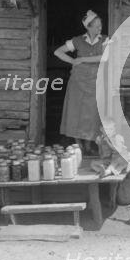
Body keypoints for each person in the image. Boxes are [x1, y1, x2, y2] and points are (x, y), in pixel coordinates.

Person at [54, 10, 109, 155]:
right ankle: (79, 145)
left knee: (92, 114)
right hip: (77, 82)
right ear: (88, 27)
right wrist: (72, 61)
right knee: (76, 113)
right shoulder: (77, 40)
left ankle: (89, 144)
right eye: (96, 26)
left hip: (95, 82)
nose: (99, 29)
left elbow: (103, 57)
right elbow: (58, 52)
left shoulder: (105, 39)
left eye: (100, 26)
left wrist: (82, 59)